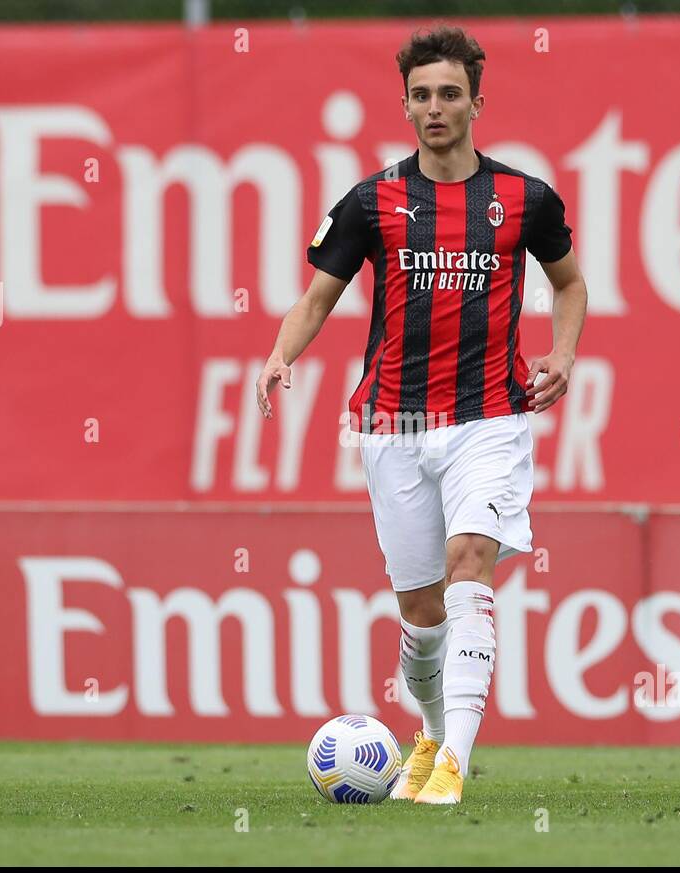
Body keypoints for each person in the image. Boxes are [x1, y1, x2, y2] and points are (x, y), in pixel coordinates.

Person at [258, 24, 587, 804]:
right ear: (404, 106)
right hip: (393, 425)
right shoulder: (372, 201)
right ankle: (431, 734)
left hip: (488, 417)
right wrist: (280, 356)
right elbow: (317, 298)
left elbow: (569, 284)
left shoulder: (524, 199)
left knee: (470, 560)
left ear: (477, 101)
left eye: (448, 94)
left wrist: (562, 354)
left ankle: (453, 768)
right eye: (420, 96)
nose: (434, 108)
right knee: (420, 610)